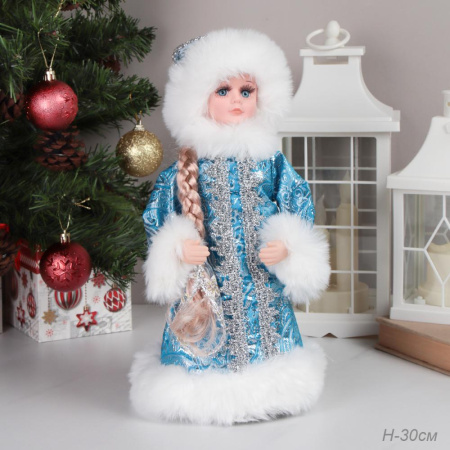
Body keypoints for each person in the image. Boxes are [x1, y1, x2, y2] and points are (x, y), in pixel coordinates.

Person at [129, 28, 330, 426]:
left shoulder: (270, 162)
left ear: (263, 96)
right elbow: (158, 217)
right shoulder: (187, 168)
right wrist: (177, 247)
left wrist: (288, 243)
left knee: (267, 328)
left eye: (246, 91)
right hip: (208, 286)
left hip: (260, 280)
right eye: (223, 90)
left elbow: (298, 204)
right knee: (203, 333)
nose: (237, 100)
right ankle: (203, 388)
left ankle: (272, 383)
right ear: (198, 100)